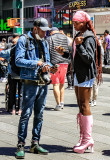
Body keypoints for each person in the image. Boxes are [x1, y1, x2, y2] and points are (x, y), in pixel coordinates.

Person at [55, 11, 102, 153]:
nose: (74, 25)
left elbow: (88, 59)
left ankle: (87, 139)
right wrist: (63, 52)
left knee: (84, 105)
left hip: (86, 75)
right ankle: (84, 138)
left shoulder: (88, 36)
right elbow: (75, 56)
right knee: (80, 106)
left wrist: (80, 45)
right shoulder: (78, 35)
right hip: (78, 74)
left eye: (77, 22)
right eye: (73, 22)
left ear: (84, 22)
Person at [15, 18, 57, 159]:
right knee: (26, 114)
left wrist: (50, 66)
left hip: (43, 82)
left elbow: (47, 59)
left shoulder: (44, 41)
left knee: (39, 115)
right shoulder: (23, 40)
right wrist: (37, 63)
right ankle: (21, 144)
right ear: (35, 28)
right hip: (30, 82)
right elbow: (18, 60)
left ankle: (35, 143)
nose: (45, 34)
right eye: (43, 31)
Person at [47, 27, 70, 111]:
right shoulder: (64, 37)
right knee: (62, 83)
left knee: (55, 84)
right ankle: (62, 102)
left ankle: (58, 104)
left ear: (51, 32)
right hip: (65, 62)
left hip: (54, 63)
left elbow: (48, 51)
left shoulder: (49, 38)